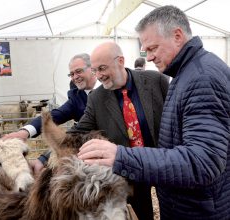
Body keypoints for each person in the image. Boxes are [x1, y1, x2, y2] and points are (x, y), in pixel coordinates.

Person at [78, 5, 230, 220]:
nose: (147, 58)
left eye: (152, 48)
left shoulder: (200, 78)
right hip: (185, 199)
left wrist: (121, 156)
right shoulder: (187, 72)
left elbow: (202, 162)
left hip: (199, 209)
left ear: (177, 36)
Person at [71, 42, 168, 220]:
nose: (98, 76)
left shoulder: (156, 80)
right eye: (95, 70)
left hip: (164, 165)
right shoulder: (96, 98)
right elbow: (77, 132)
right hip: (131, 173)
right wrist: (44, 158)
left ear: (121, 61)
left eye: (102, 68)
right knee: (142, 214)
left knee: (172, 210)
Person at [3, 53, 100, 173]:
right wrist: (25, 132)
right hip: (86, 154)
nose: (75, 77)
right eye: (72, 74)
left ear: (92, 69)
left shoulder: (109, 87)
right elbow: (56, 115)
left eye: (79, 71)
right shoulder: (76, 96)